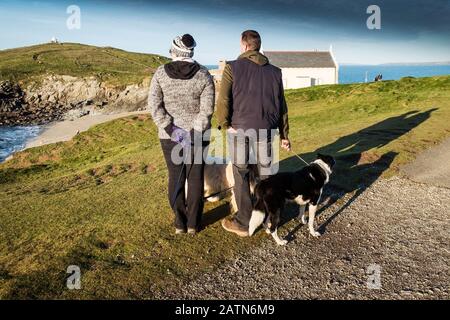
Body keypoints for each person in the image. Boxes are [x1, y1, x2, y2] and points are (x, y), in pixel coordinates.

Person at [216, 30, 290, 237]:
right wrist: (284, 134)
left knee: (241, 173)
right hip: (265, 129)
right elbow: (281, 105)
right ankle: (270, 218)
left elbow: (223, 100)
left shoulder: (232, 67)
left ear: (244, 45)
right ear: (258, 46)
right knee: (267, 174)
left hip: (239, 129)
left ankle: (243, 222)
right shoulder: (275, 72)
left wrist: (224, 123)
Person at [148, 34, 215, 235]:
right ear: (191, 52)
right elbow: (207, 109)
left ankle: (180, 223)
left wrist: (171, 130)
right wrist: (193, 132)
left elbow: (154, 105)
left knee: (176, 177)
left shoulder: (160, 73)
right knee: (195, 179)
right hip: (198, 135)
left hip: (170, 137)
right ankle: (194, 224)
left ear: (174, 51)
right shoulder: (204, 74)